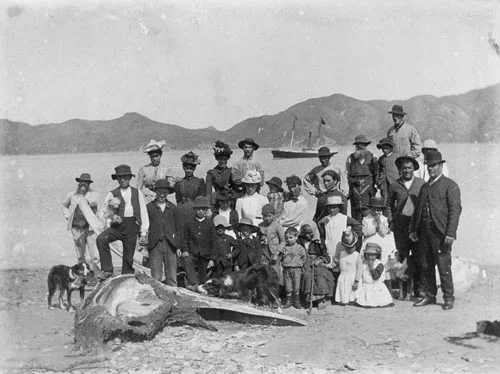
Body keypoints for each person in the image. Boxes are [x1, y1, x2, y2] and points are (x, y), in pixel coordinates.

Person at [410, 151, 462, 310]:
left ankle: (448, 297)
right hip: (424, 233)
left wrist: (451, 233)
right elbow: (418, 210)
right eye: (429, 166)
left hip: (441, 233)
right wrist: (413, 229)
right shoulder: (425, 187)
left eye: (434, 166)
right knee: (426, 265)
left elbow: (455, 210)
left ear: (441, 166)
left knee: (443, 265)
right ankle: (430, 295)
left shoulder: (450, 185)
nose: (431, 169)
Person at [96, 165, 149, 279]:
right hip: (117, 226)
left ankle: (127, 274)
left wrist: (144, 232)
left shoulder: (137, 192)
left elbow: (143, 212)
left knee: (128, 256)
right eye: (120, 177)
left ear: (130, 178)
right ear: (117, 179)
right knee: (101, 239)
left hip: (132, 226)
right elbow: (103, 212)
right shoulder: (112, 193)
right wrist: (111, 219)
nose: (123, 180)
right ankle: (107, 270)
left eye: (125, 177)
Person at [385, 156, 425, 297]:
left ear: (414, 169)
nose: (407, 170)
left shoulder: (421, 184)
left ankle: (418, 288)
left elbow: (426, 204)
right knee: (402, 258)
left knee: (418, 257)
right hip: (400, 227)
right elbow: (388, 205)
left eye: (409, 168)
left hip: (417, 228)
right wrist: (391, 221)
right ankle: (402, 289)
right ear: (400, 170)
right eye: (404, 168)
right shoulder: (394, 185)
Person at [145, 178, 180, 285]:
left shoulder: (173, 208)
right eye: (159, 192)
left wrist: (178, 246)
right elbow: (145, 227)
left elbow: (178, 228)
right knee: (156, 276)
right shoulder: (149, 207)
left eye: (164, 192)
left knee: (172, 276)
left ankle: (173, 297)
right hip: (155, 243)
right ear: (155, 192)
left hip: (170, 243)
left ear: (168, 193)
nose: (161, 195)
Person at [62, 173, 100, 268]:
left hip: (90, 228)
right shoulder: (71, 195)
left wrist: (91, 204)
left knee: (94, 253)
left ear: (89, 184)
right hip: (77, 227)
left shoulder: (94, 194)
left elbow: (95, 206)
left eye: (86, 182)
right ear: (78, 183)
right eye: (81, 182)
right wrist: (67, 215)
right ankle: (83, 273)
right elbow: (64, 205)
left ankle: (98, 273)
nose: (84, 184)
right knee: (80, 253)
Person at [317, 195, 362, 272]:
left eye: (334, 207)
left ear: (339, 208)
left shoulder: (344, 218)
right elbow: (322, 235)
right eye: (329, 207)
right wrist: (320, 223)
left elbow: (358, 225)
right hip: (330, 248)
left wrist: (351, 236)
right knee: (331, 268)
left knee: (341, 268)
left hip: (341, 247)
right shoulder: (326, 219)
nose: (331, 210)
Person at [361, 197, 395, 292]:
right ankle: (368, 289)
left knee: (382, 264)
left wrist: (379, 222)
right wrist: (374, 227)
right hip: (370, 242)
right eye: (375, 209)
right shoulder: (365, 219)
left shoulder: (384, 219)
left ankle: (387, 290)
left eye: (379, 209)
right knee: (368, 264)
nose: (377, 212)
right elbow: (365, 232)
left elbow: (383, 232)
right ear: (371, 209)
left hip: (381, 243)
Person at [180, 196, 216, 287]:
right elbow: (184, 237)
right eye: (198, 209)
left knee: (203, 276)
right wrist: (185, 250)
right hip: (193, 252)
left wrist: (212, 259)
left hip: (205, 254)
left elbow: (213, 242)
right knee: (187, 260)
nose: (200, 211)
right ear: (195, 209)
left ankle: (201, 284)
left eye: (203, 209)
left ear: (206, 210)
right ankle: (193, 283)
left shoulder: (210, 224)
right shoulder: (189, 222)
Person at [299, 224, 335, 309]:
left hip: (317, 263)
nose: (310, 235)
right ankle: (309, 300)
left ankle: (320, 300)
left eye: (311, 232)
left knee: (319, 276)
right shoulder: (299, 242)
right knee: (307, 276)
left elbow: (327, 257)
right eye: (307, 233)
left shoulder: (318, 242)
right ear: (303, 234)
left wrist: (320, 260)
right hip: (304, 264)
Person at [353, 243, 394, 308]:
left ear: (377, 255)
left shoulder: (379, 264)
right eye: (368, 255)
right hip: (366, 286)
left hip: (376, 286)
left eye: (372, 255)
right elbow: (360, 273)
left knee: (378, 300)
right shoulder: (364, 263)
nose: (370, 257)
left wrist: (371, 268)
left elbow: (376, 277)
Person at [137, 139, 173, 204]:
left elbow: (170, 184)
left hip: (162, 197)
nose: (154, 158)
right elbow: (138, 187)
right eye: (152, 156)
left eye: (156, 156)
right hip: (146, 198)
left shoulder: (167, 168)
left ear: (160, 155)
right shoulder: (144, 169)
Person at [174, 151, 206, 223]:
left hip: (194, 212)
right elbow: (178, 199)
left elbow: (201, 199)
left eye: (191, 168)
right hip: (181, 211)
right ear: (183, 168)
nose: (189, 170)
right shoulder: (179, 183)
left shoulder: (199, 182)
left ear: (194, 169)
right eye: (186, 168)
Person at [258, 204, 285, 281]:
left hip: (274, 252)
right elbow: (258, 239)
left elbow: (283, 241)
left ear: (274, 215)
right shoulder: (260, 226)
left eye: (269, 216)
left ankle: (276, 290)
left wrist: (277, 253)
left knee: (275, 272)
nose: (267, 218)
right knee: (264, 272)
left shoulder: (277, 226)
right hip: (264, 252)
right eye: (265, 216)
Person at [282, 227, 306, 309]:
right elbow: (281, 257)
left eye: (291, 238)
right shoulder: (284, 248)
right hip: (287, 269)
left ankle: (296, 301)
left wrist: (300, 263)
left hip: (296, 269)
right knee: (288, 286)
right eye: (287, 238)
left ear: (296, 237)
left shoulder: (300, 248)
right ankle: (288, 301)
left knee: (296, 286)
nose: (289, 240)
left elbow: (304, 257)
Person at [334, 228, 360, 305]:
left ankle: (351, 299)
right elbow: (340, 264)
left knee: (351, 291)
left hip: (352, 276)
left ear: (355, 246)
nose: (349, 250)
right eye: (347, 247)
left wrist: (356, 281)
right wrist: (336, 263)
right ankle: (342, 300)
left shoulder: (357, 255)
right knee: (343, 288)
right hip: (343, 275)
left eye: (351, 247)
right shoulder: (342, 253)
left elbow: (359, 269)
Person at [206, 140, 235, 206]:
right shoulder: (211, 173)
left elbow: (235, 187)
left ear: (227, 159)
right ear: (217, 159)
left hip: (229, 199)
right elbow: (208, 193)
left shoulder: (231, 171)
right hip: (216, 200)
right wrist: (208, 207)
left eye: (225, 159)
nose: (222, 161)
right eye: (220, 159)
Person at [376, 137, 400, 204]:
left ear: (391, 148)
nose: (384, 150)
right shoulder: (381, 159)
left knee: (396, 199)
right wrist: (378, 180)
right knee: (385, 200)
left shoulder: (397, 157)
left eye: (386, 148)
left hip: (395, 181)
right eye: (383, 149)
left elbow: (400, 170)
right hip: (383, 183)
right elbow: (378, 171)